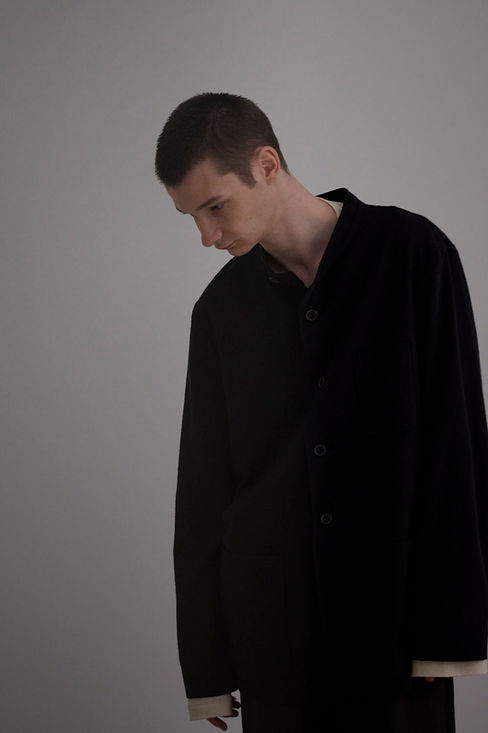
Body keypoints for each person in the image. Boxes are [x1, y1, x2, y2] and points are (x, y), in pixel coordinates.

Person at [154, 92, 488, 732]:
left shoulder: (413, 255)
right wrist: (208, 671)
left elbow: (457, 446)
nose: (206, 237)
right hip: (273, 648)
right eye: (190, 216)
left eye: (215, 207)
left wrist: (449, 632)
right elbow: (202, 490)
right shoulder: (219, 311)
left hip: (394, 633)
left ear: (267, 164)